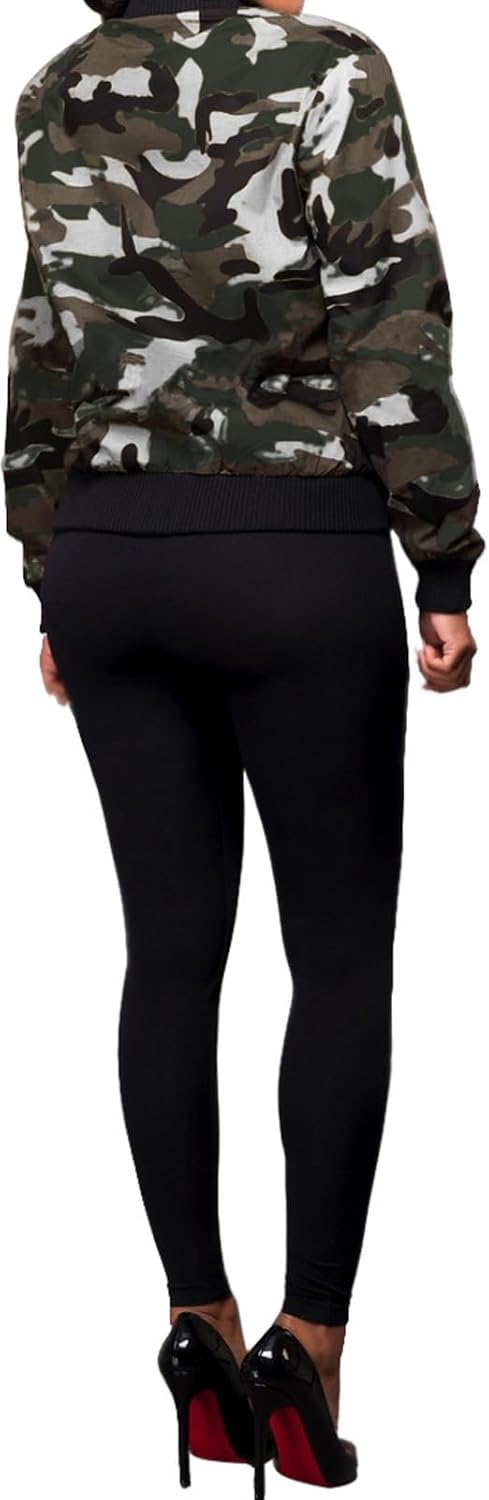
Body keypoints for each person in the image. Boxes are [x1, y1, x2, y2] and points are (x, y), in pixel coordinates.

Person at [3, 0, 483, 1491]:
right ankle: (307, 1347)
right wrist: (444, 560)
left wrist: (50, 568)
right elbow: (392, 319)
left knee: (168, 954)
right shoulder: (332, 68)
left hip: (111, 555)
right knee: (336, 959)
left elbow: (45, 339)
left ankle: (192, 1322)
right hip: (292, 554)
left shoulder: (59, 82)